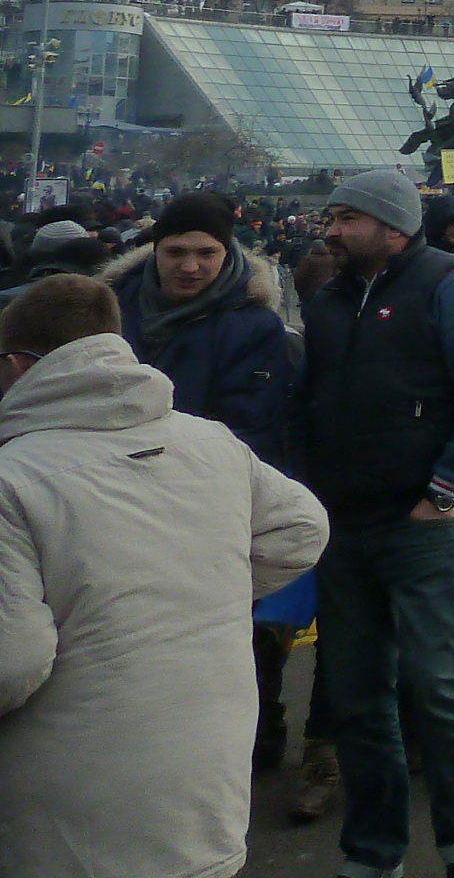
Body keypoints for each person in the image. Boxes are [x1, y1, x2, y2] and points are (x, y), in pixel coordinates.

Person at [0, 275, 330, 878]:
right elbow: (303, 528)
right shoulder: (211, 442)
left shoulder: (13, 476)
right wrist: (206, 586)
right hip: (209, 766)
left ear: (19, 365)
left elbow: (11, 661)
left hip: (71, 802)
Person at [295, 167, 454, 878]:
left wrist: (444, 490)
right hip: (344, 524)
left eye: (347, 219)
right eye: (331, 219)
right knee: (358, 698)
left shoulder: (453, 286)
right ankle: (373, 852)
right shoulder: (329, 302)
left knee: (435, 684)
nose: (332, 231)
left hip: (425, 522)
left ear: (393, 227)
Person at [104, 190, 303, 767]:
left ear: (227, 254)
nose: (189, 266)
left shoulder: (253, 325)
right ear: (154, 250)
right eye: (176, 252)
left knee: (228, 632)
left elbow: (251, 430)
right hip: (111, 499)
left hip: (205, 504)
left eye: (205, 253)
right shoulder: (110, 311)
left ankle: (253, 735)